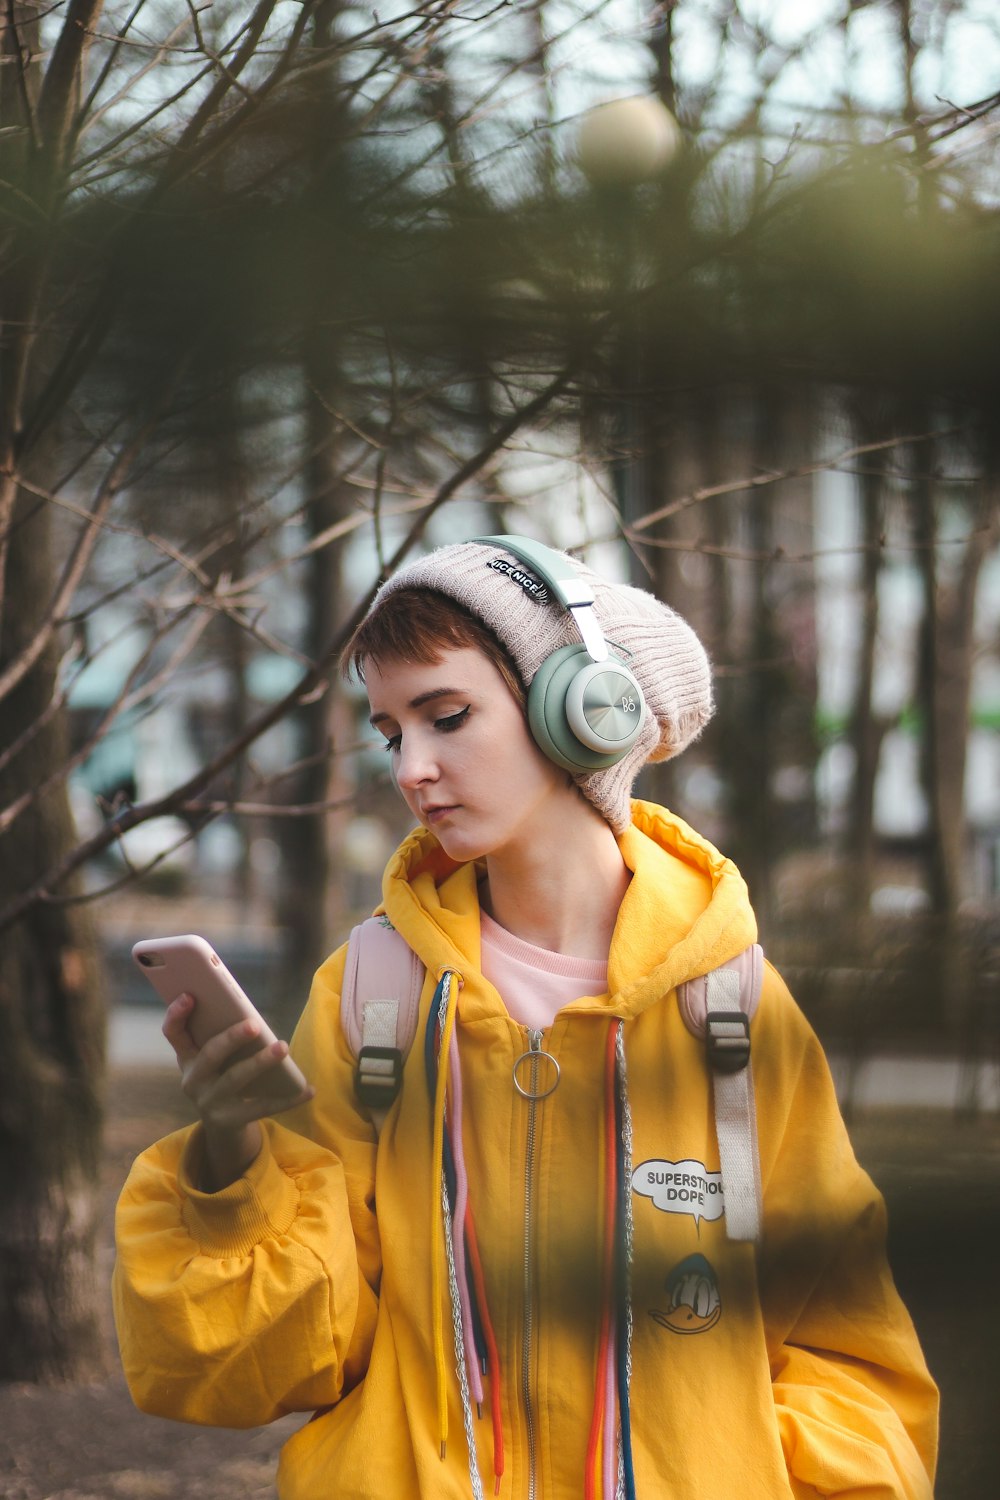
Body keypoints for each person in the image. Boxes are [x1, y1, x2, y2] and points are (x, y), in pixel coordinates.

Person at [113, 534, 938, 1499]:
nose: (411, 768)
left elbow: (849, 1355)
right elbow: (292, 1353)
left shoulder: (738, 1010)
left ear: (584, 712)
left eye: (447, 716)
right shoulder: (373, 994)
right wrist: (230, 1157)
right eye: (390, 733)